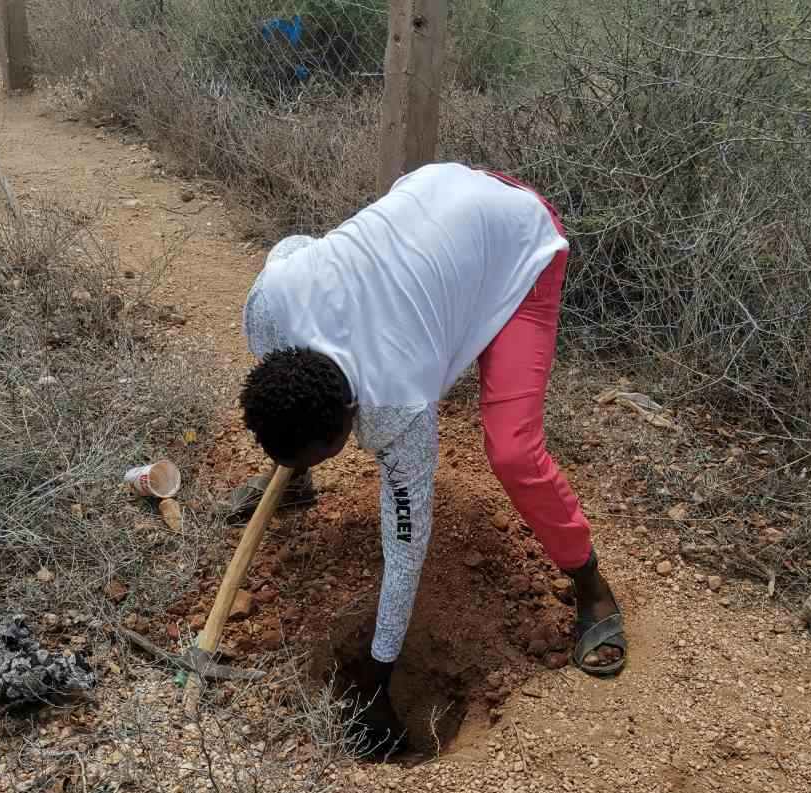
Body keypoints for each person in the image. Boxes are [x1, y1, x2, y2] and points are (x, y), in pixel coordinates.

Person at [239, 163, 626, 757]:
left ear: (352, 412)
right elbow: (294, 247)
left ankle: (590, 584)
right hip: (436, 196)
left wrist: (378, 670)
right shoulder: (268, 307)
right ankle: (297, 481)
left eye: (330, 451)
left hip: (515, 239)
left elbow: (405, 543)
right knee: (302, 427)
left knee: (513, 449)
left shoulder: (399, 406)